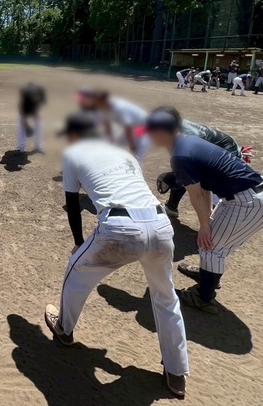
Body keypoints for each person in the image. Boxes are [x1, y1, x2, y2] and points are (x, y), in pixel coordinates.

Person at [43, 113, 188, 398]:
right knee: (165, 297)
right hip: (160, 225)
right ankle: (176, 371)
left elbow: (73, 205)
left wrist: (78, 243)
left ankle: (64, 328)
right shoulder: (125, 154)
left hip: (119, 228)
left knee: (76, 270)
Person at [146, 107, 263, 315]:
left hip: (249, 203)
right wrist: (208, 219)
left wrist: (205, 226)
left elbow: (196, 194)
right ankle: (207, 274)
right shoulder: (188, 142)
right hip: (250, 197)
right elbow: (205, 187)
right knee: (210, 243)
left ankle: (203, 297)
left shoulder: (180, 154)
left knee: (211, 247)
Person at [157, 119, 255, 219]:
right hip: (216, 146)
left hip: (225, 149)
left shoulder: (185, 136)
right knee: (184, 172)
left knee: (214, 192)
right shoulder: (170, 129)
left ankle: (215, 220)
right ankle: (172, 206)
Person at [97, 92, 152, 165]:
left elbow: (128, 129)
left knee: (137, 156)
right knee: (113, 146)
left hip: (144, 128)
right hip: (132, 127)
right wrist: (111, 140)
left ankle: (136, 171)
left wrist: (132, 148)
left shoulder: (119, 108)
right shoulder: (102, 107)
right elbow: (107, 124)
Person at [17, 82, 46, 153]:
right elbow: (21, 105)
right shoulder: (25, 93)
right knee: (21, 126)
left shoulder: (40, 92)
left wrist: (36, 114)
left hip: (34, 109)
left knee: (39, 124)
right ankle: (20, 147)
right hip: (24, 109)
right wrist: (24, 120)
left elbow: (39, 103)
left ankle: (38, 146)